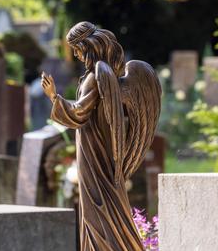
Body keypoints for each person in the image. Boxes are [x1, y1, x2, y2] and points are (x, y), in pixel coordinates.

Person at [41, 22, 161, 250]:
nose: (75, 54)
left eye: (77, 48)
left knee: (98, 207)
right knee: (95, 206)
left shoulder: (97, 75)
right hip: (91, 148)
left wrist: (54, 97)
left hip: (94, 152)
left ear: (87, 46)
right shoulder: (95, 74)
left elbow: (78, 113)